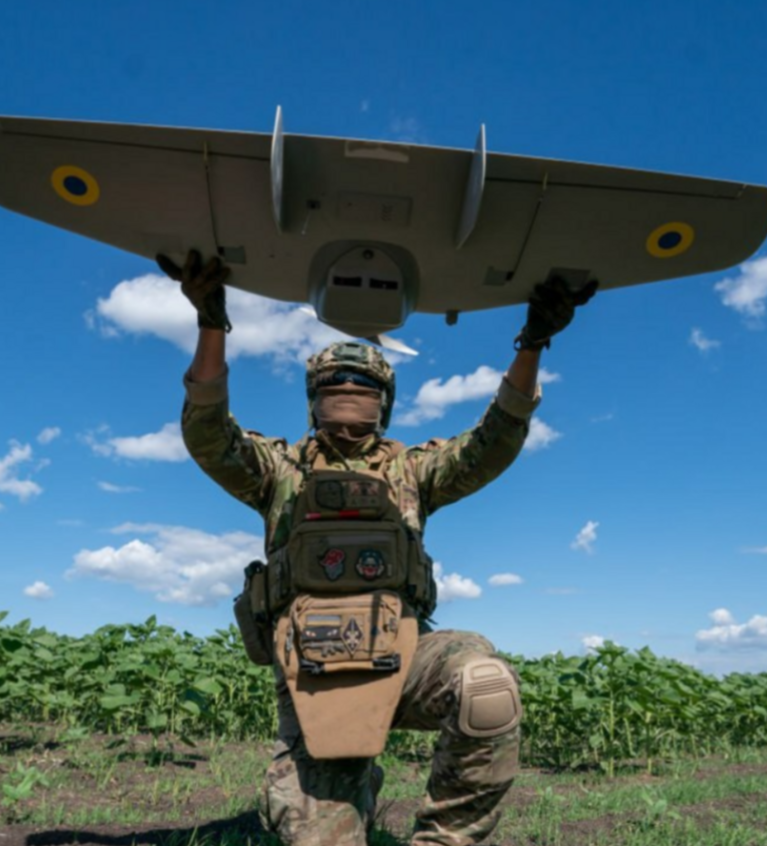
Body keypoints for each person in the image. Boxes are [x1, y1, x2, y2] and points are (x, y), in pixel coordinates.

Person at [162, 249, 595, 846]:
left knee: (485, 688)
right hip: (316, 679)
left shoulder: (413, 472)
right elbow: (208, 433)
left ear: (384, 402)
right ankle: (344, 787)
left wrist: (534, 342)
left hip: (404, 656)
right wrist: (212, 321)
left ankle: (442, 839)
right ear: (312, 398)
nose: (350, 393)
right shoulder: (278, 473)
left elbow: (494, 441)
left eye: (364, 385)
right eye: (336, 385)